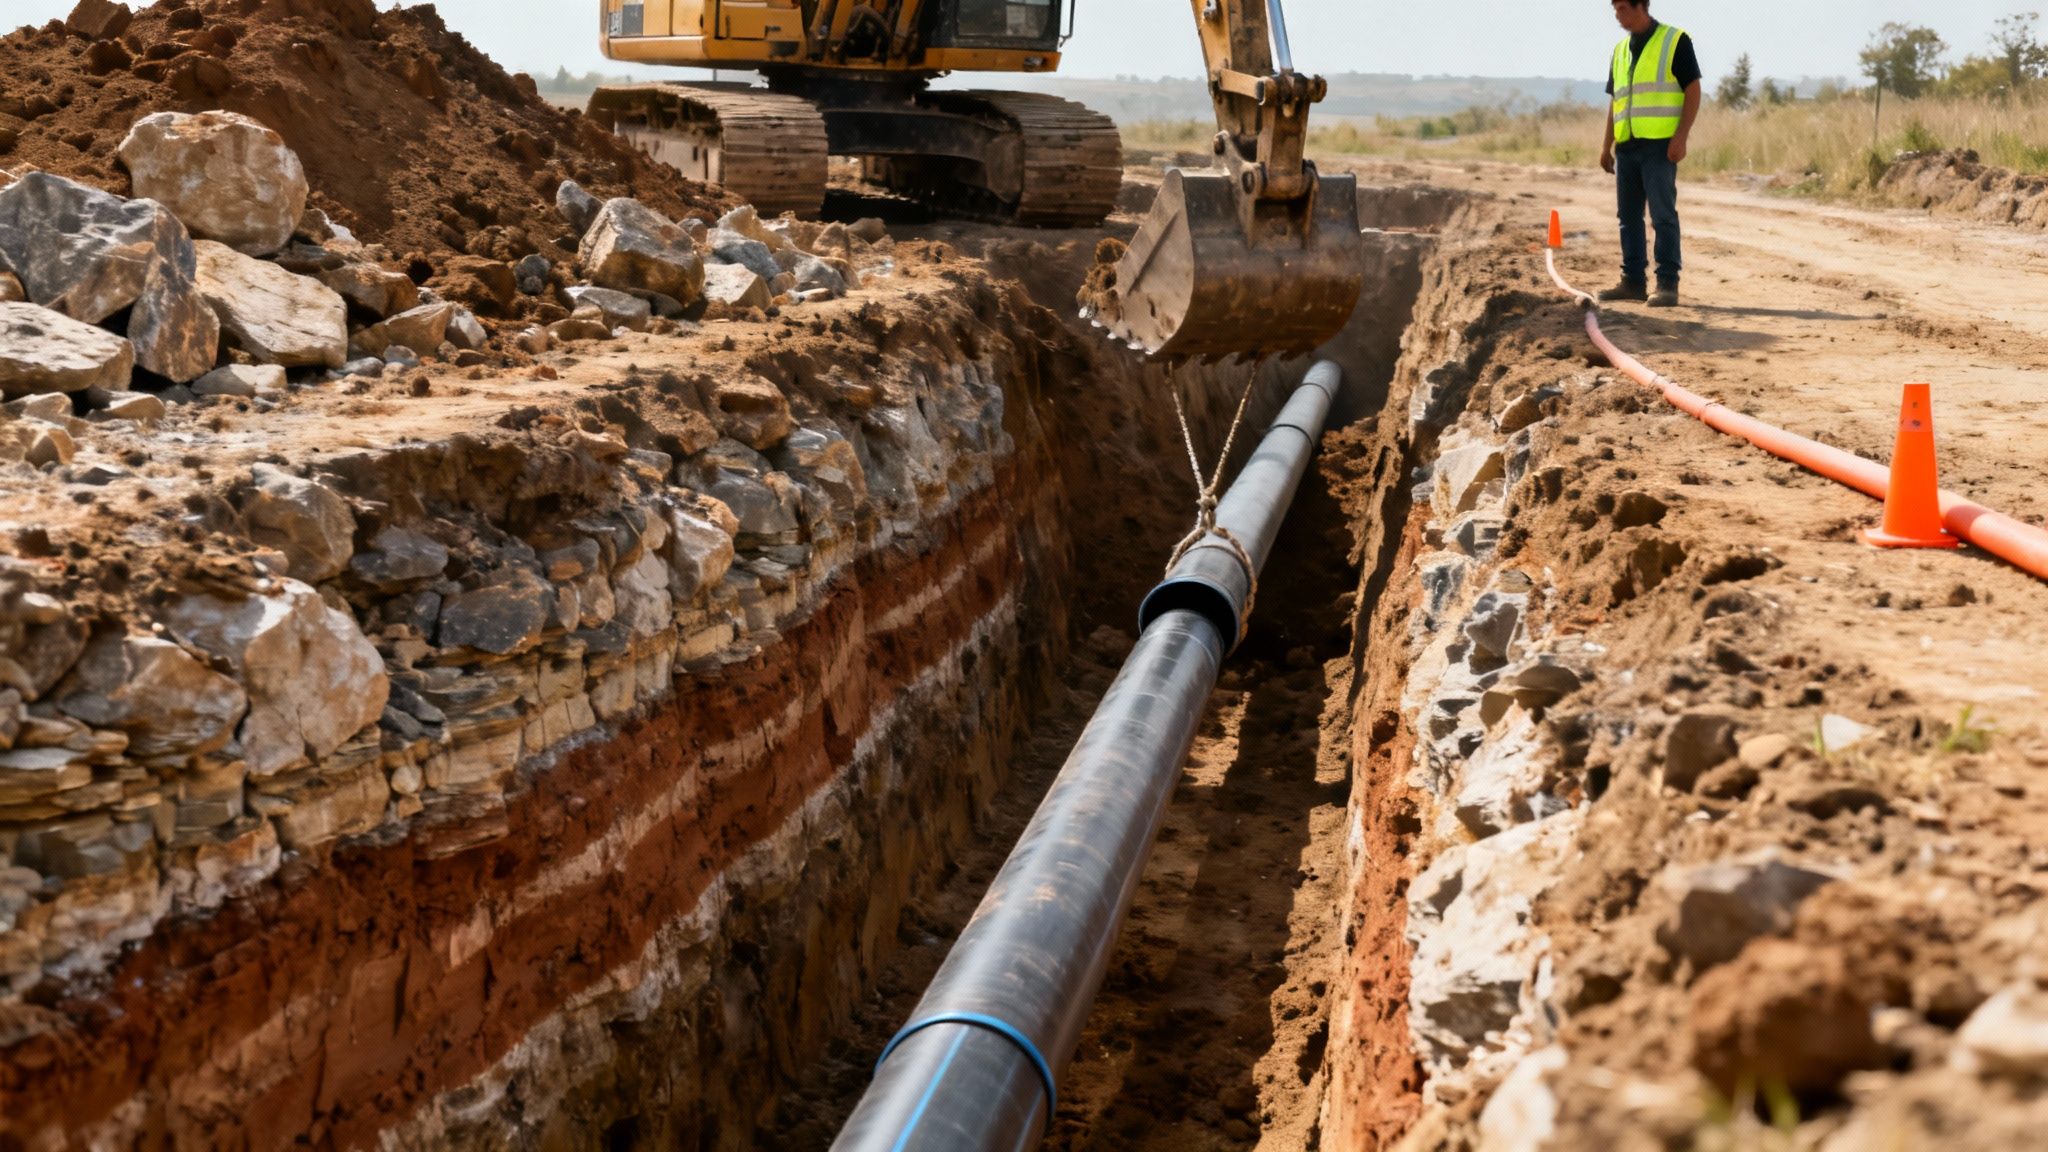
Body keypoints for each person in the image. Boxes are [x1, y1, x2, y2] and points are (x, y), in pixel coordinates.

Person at [1598, 0, 1702, 308]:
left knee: (1662, 216)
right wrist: (1606, 146)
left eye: (1622, 8)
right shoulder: (1619, 51)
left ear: (1641, 6)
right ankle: (1633, 283)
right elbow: (1615, 102)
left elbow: (1693, 89)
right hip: (1627, 146)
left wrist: (1681, 136)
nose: (1617, 15)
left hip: (1660, 145)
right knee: (1628, 217)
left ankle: (1667, 285)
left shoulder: (1675, 41)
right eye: (1614, 9)